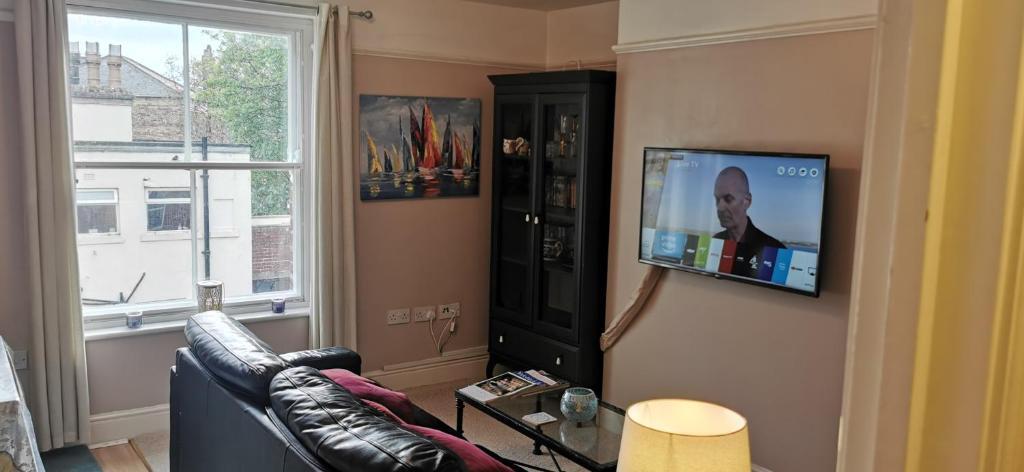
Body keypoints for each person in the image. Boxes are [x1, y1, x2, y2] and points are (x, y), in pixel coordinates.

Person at [713, 166, 785, 277]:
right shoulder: (715, 241)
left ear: (747, 201)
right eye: (717, 199)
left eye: (728, 199)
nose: (720, 207)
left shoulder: (775, 250)